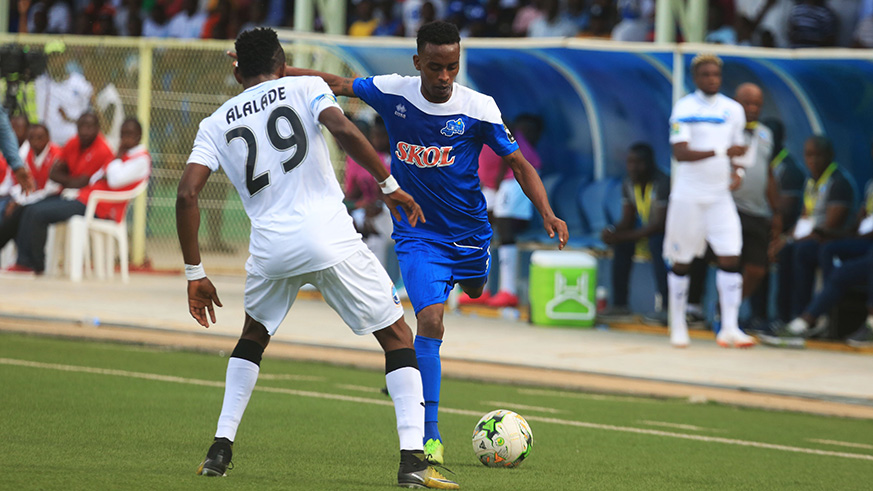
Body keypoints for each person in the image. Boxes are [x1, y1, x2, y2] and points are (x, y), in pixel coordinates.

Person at [279, 20, 568, 464]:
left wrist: (547, 211)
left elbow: (519, 164)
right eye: (435, 67)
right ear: (418, 62)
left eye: (452, 66)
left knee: (476, 289)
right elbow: (335, 83)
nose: (444, 76)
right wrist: (272, 72)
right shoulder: (393, 91)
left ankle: (451, 306)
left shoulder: (479, 108)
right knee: (430, 320)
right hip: (418, 234)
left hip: (470, 234)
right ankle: (429, 435)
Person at [184, 28, 456, 489]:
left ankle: (219, 448)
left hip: (271, 249)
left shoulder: (214, 123)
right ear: (282, 63)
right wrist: (389, 186)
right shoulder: (306, 86)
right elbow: (343, 128)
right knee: (397, 336)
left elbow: (187, 193)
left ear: (237, 71)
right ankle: (413, 460)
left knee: (253, 335)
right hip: (329, 237)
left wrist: (195, 273)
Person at [664, 53, 755, 349]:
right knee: (682, 260)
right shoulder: (684, 108)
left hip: (719, 196)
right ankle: (678, 324)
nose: (712, 79)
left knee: (731, 255)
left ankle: (729, 327)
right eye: (705, 74)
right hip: (689, 195)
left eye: (716, 74)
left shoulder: (733, 110)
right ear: (695, 78)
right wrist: (720, 152)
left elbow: (739, 150)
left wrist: (738, 171)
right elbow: (680, 152)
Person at [9, 117, 149, 274]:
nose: (125, 138)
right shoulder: (123, 155)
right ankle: (23, 262)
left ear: (139, 136)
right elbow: (97, 177)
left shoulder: (141, 159)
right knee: (30, 208)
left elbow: (114, 180)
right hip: (84, 198)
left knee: (38, 213)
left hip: (100, 207)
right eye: (123, 134)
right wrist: (112, 166)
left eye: (130, 134)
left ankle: (32, 265)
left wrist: (116, 160)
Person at [461, 114, 544, 308]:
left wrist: (499, 174)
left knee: (505, 226)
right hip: (492, 182)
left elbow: (509, 132)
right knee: (479, 227)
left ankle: (509, 291)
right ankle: (479, 289)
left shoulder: (483, 113)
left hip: (514, 174)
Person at [770, 136, 854, 325]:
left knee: (801, 251)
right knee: (784, 250)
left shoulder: (838, 182)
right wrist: (785, 239)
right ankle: (782, 318)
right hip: (809, 238)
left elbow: (831, 226)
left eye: (818, 155)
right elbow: (804, 218)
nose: (813, 160)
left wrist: (794, 240)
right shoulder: (811, 181)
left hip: (830, 240)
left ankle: (802, 315)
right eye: (809, 155)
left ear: (830, 155)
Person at [599, 142, 669, 322]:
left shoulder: (662, 182)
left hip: (670, 235)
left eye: (638, 163)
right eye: (629, 162)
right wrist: (612, 231)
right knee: (622, 245)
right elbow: (627, 220)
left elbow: (660, 225)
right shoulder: (629, 183)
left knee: (657, 244)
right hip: (648, 232)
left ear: (649, 163)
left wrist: (622, 236)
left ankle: (667, 307)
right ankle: (620, 305)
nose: (632, 167)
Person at [731, 83, 781, 328]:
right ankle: (718, 314)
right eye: (747, 103)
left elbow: (768, 173)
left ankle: (728, 307)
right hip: (730, 207)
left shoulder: (765, 134)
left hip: (758, 210)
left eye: (757, 104)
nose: (752, 108)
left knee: (757, 269)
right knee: (729, 263)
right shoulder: (725, 129)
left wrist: (776, 211)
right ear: (735, 103)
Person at [0, 124, 62, 249]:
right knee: (8, 209)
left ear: (48, 138)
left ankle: (25, 256)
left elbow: (50, 189)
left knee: (23, 212)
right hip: (32, 197)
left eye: (40, 137)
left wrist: (21, 202)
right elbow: (23, 184)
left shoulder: (57, 154)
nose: (35, 142)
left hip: (54, 197)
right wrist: (17, 200)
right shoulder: (26, 154)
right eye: (32, 138)